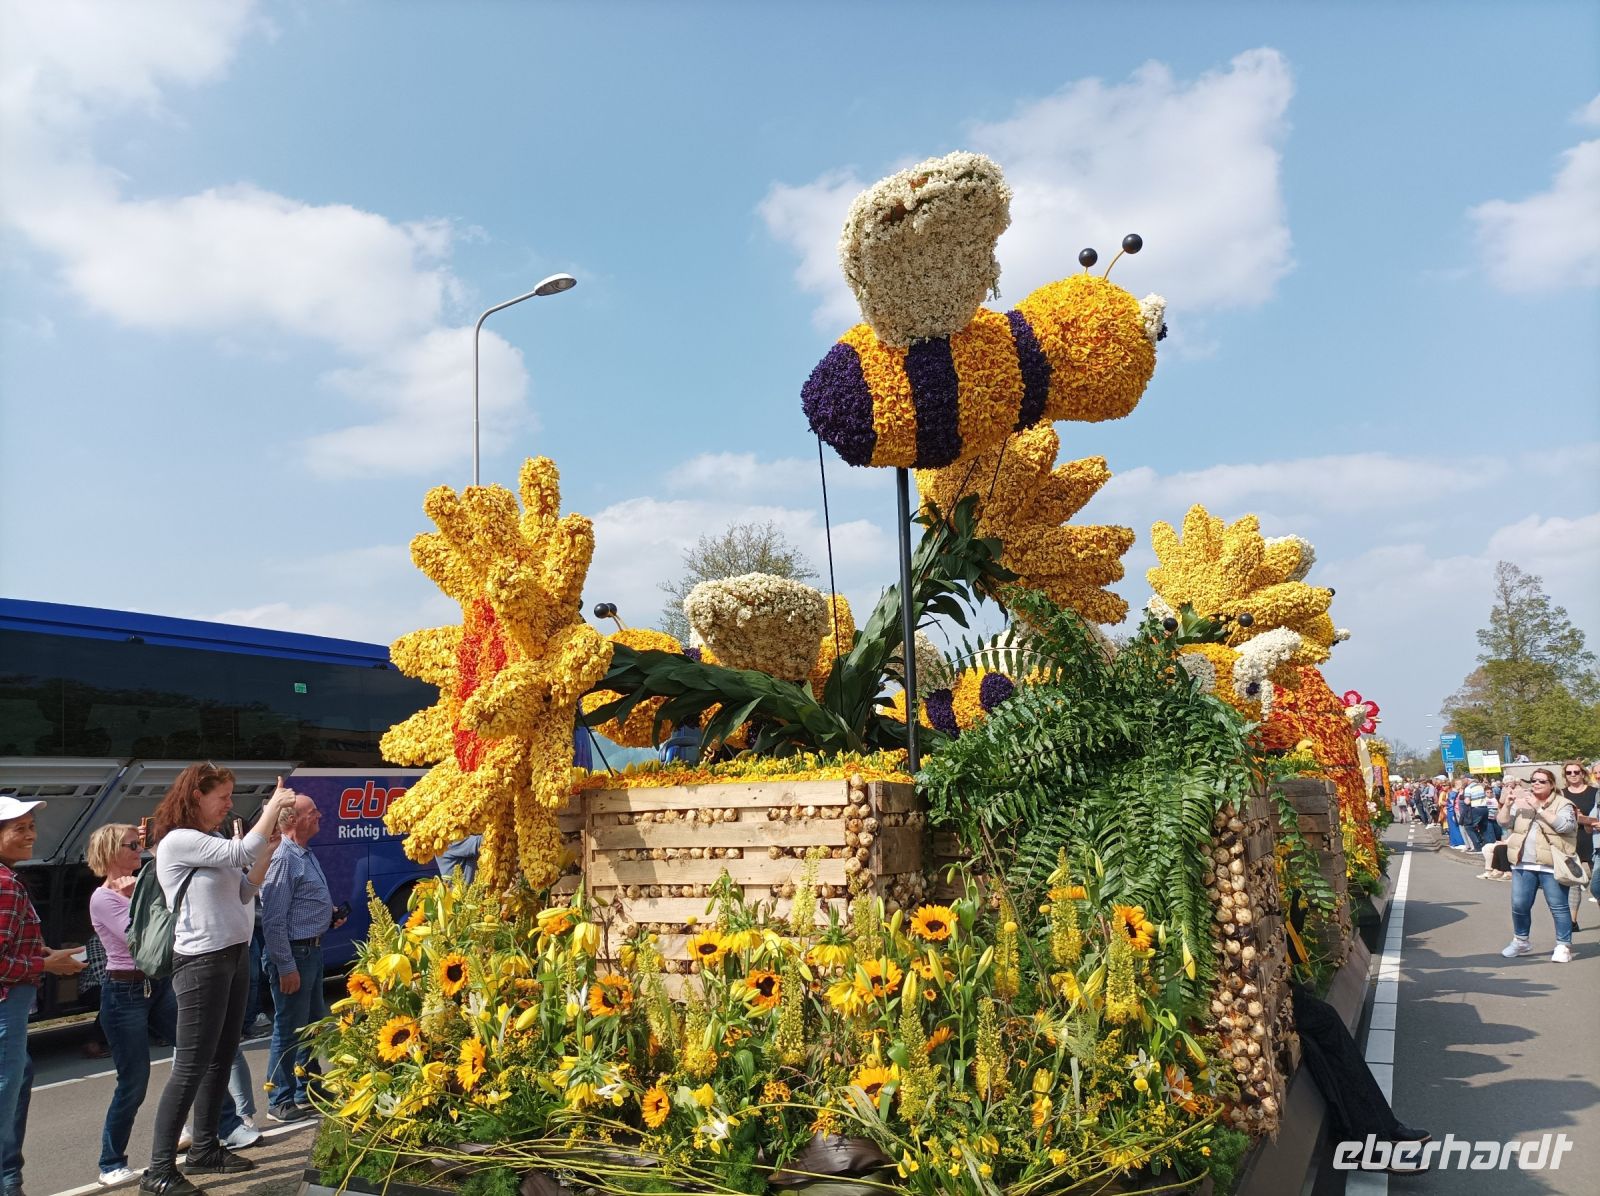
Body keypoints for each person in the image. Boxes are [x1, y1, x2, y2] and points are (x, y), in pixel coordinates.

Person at [140, 765, 296, 1196]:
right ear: (196, 796)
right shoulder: (178, 840)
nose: (229, 804)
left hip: (233, 955)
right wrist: (272, 808)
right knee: (191, 1064)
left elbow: (245, 890)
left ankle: (205, 1148)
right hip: (201, 961)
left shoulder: (209, 840)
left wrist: (268, 850)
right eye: (222, 796)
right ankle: (158, 1171)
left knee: (220, 1056)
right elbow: (240, 851)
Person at [0, 793, 87, 1196]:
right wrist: (46, 965)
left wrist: (42, 953)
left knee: (20, 1079)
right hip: (7, 1006)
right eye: (19, 828)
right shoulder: (5, 885)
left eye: (32, 826)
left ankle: (9, 1180)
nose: (31, 835)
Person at [87, 823, 179, 1188]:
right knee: (134, 1080)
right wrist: (132, 899)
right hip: (124, 991)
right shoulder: (103, 898)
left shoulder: (139, 885)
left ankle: (207, 1127)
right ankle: (111, 1163)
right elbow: (141, 939)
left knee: (197, 1051)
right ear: (111, 853)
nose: (138, 850)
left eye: (139, 844)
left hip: (157, 984)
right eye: (130, 845)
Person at [260, 795, 343, 1123]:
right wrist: (285, 965)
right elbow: (273, 919)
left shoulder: (303, 853)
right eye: (313, 812)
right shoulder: (284, 858)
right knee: (289, 1027)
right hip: (295, 954)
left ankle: (306, 1088)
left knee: (311, 1026)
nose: (319, 814)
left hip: (310, 950)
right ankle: (278, 1099)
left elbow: (299, 905)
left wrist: (329, 915)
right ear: (293, 820)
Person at [1497, 770, 1579, 964]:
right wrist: (1507, 805)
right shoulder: (1522, 803)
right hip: (1523, 863)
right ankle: (1521, 941)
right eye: (1533, 780)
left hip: (1552, 864)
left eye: (1541, 781)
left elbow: (1565, 827)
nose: (1536, 784)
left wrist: (1539, 809)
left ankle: (1563, 945)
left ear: (1551, 784)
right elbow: (1504, 823)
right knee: (1519, 905)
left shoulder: (1564, 804)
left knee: (1558, 906)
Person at [1560, 760, 1597, 927]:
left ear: (1583, 774)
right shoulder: (1561, 794)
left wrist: (1583, 818)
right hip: (1570, 841)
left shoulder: (1594, 792)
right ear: (1565, 775)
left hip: (1593, 839)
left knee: (1597, 884)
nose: (1573, 775)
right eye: (1569, 772)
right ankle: (1572, 922)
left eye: (1576, 772)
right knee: (1574, 882)